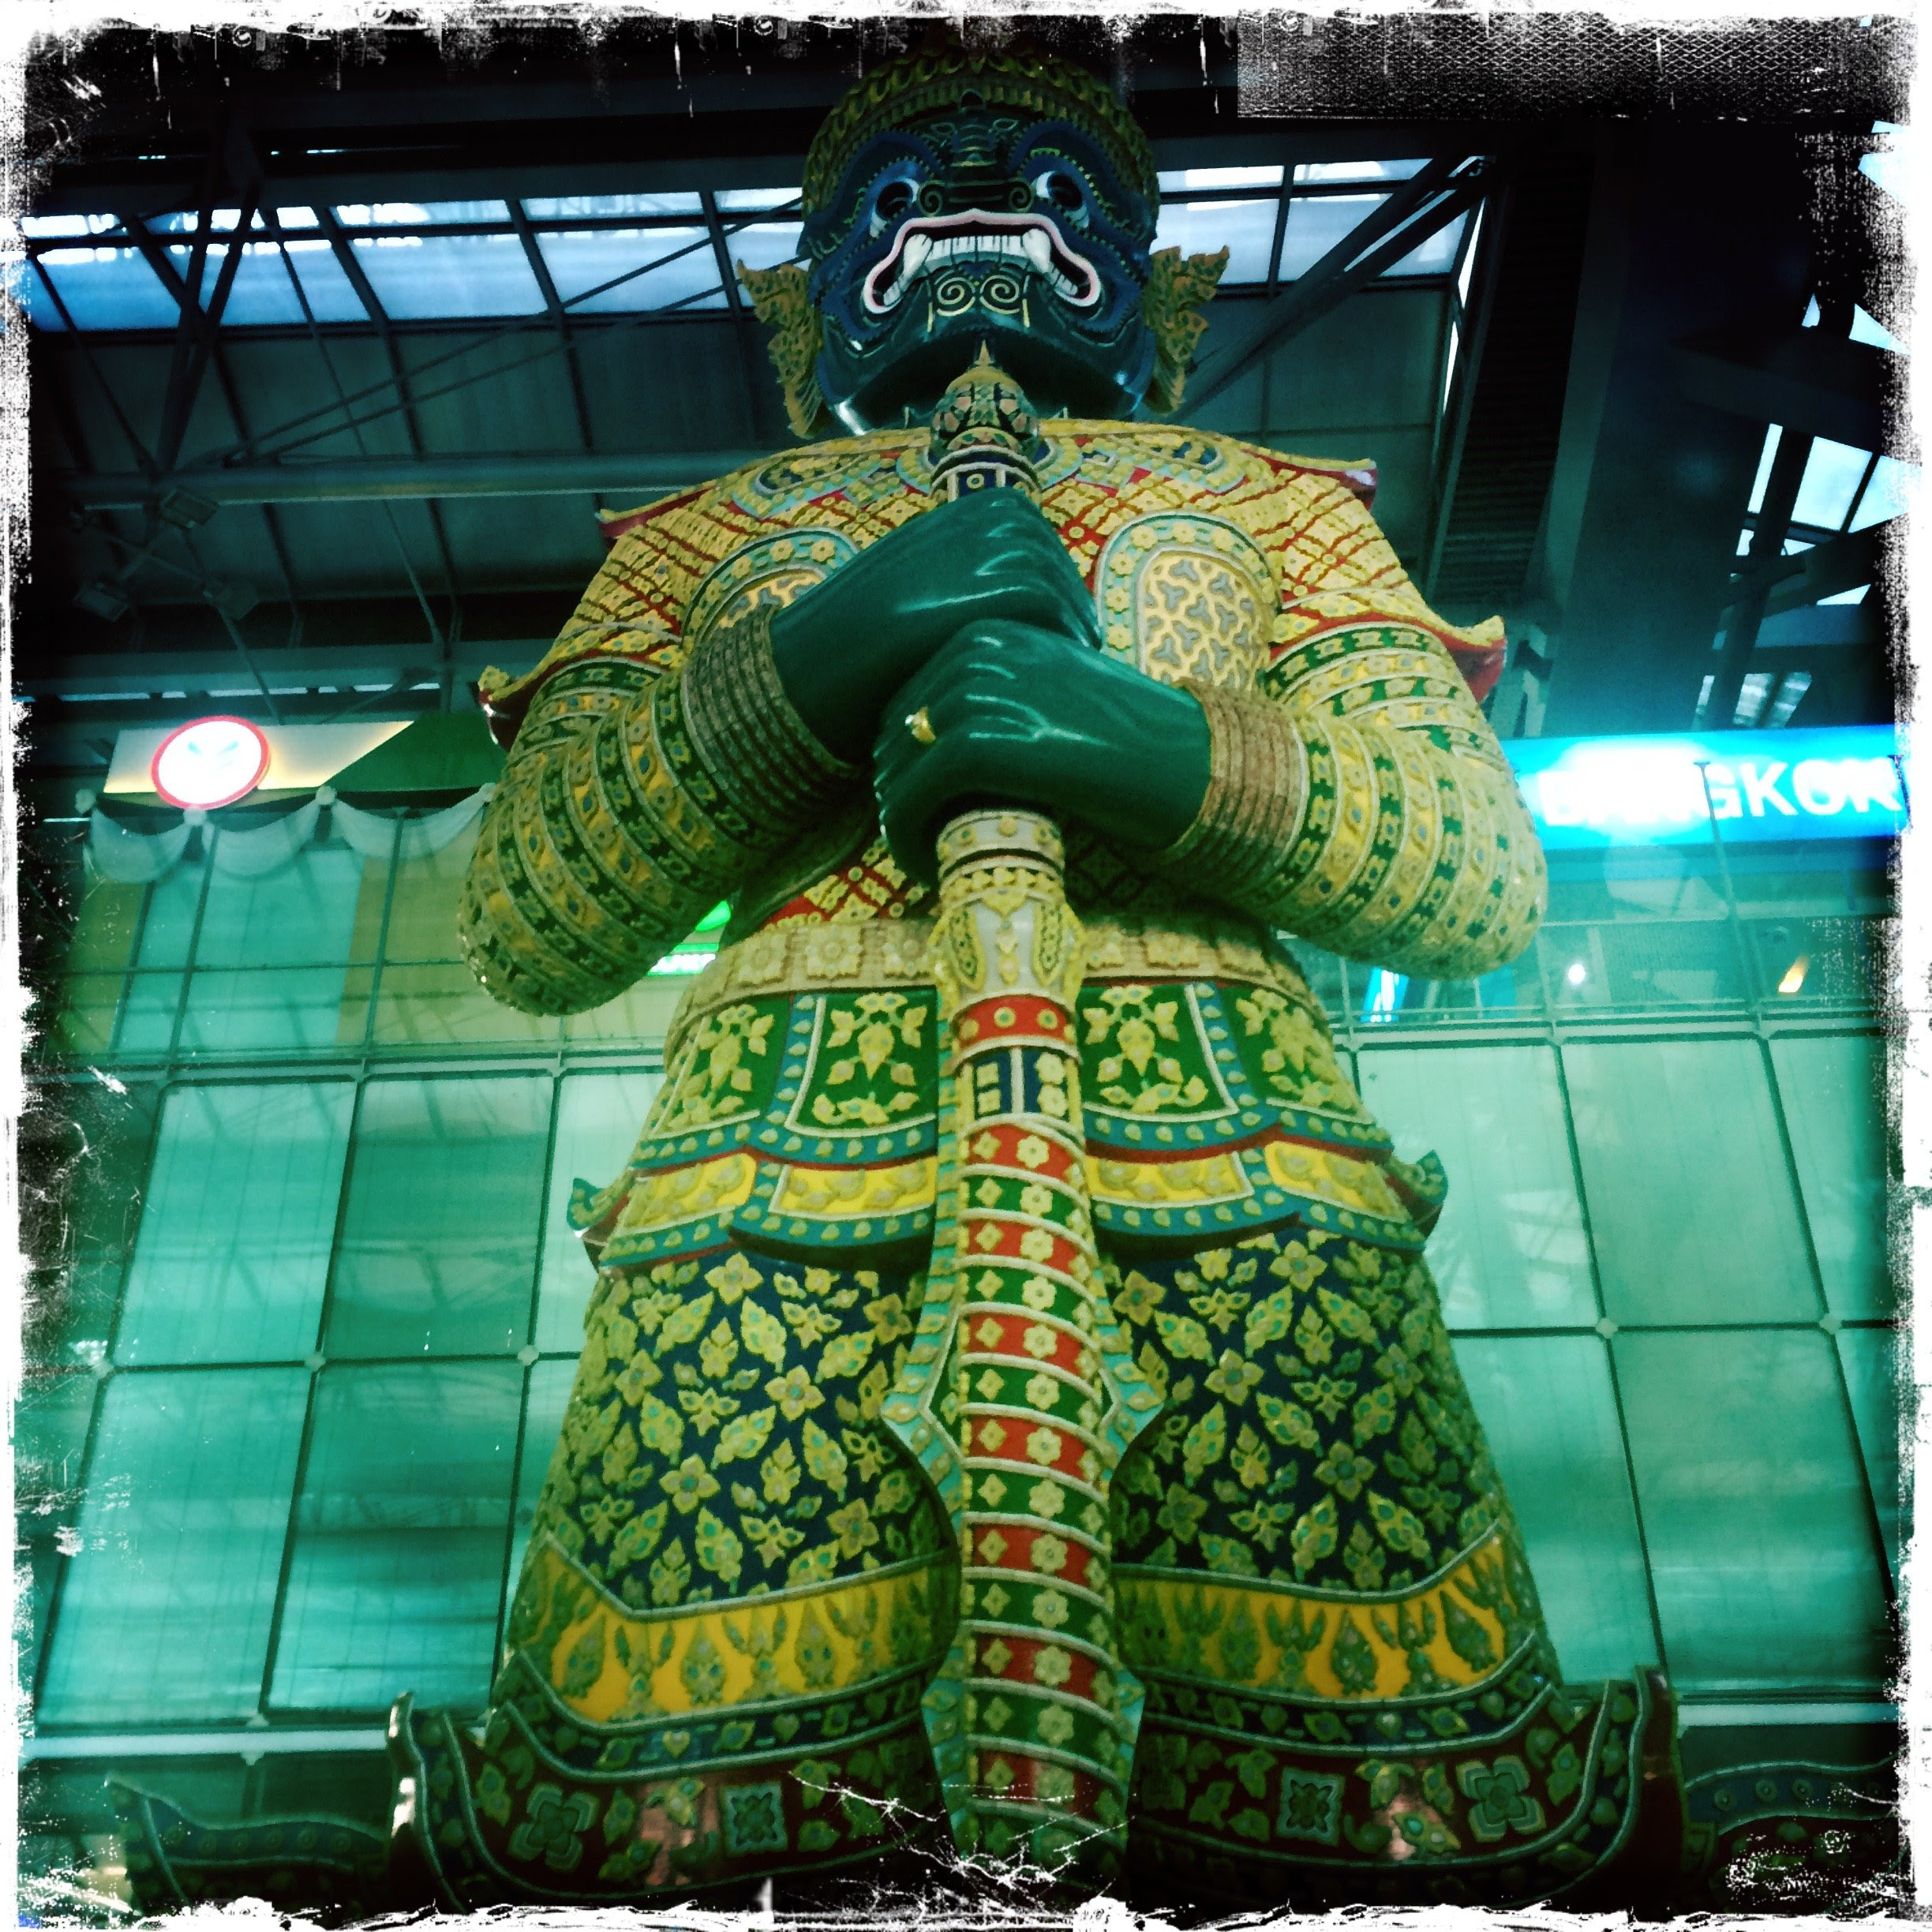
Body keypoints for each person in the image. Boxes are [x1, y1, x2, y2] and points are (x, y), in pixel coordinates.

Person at [398, 36, 1683, 1910]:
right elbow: (531, 915)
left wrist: (1149, 745)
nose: (981, 210)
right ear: (805, 305)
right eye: (899, 196)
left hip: (1241, 1199)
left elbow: (1473, 872)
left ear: (1161, 301)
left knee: (1376, 1832)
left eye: (1061, 190)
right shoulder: (702, 543)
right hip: (765, 1224)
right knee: (699, 1833)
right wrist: (816, 659)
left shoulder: (1268, 505)